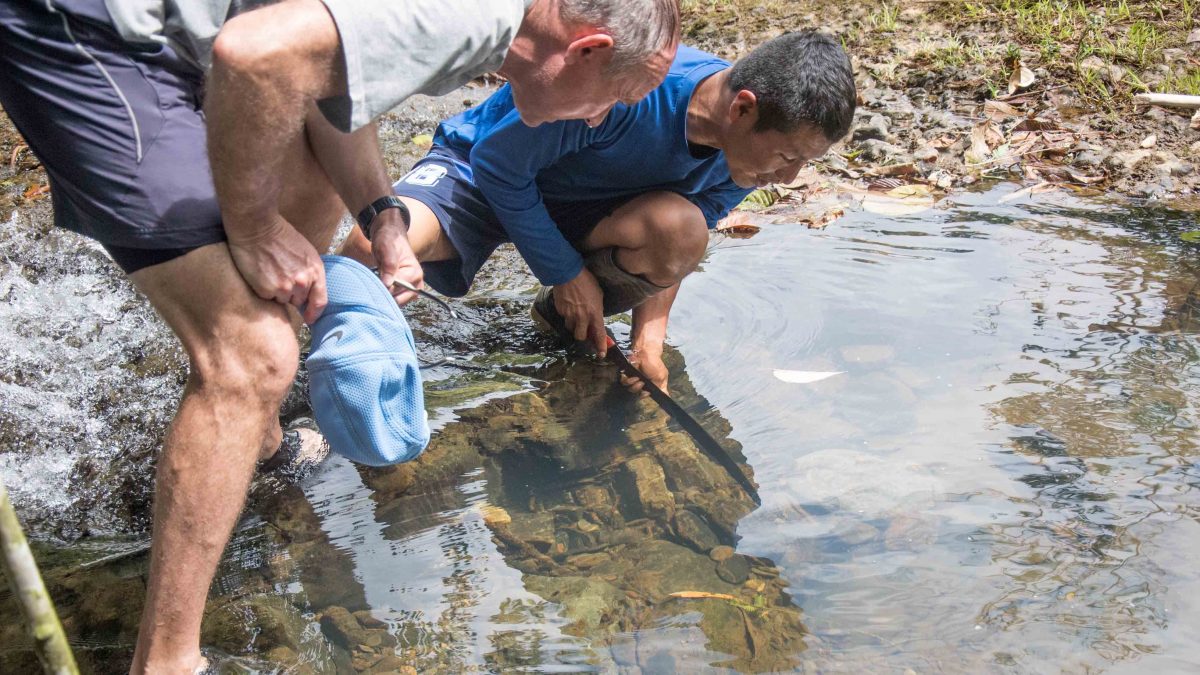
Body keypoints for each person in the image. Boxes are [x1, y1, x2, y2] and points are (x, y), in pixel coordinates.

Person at [0, 0, 678, 671]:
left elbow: (327, 84)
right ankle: (167, 660)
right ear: (586, 48)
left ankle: (256, 438)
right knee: (255, 354)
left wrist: (381, 214)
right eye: (612, 100)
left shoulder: (483, 26)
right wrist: (254, 226)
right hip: (82, 28)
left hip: (174, 33)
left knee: (315, 193)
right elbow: (251, 55)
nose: (598, 120)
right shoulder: (471, 19)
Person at [341, 31, 857, 392]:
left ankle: (559, 322)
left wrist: (648, 346)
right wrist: (565, 273)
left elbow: (679, 246)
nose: (788, 178)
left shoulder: (745, 158)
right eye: (788, 157)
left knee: (684, 230)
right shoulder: (633, 87)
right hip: (482, 173)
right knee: (370, 249)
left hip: (587, 210)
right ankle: (314, 375)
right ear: (742, 108)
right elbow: (497, 166)